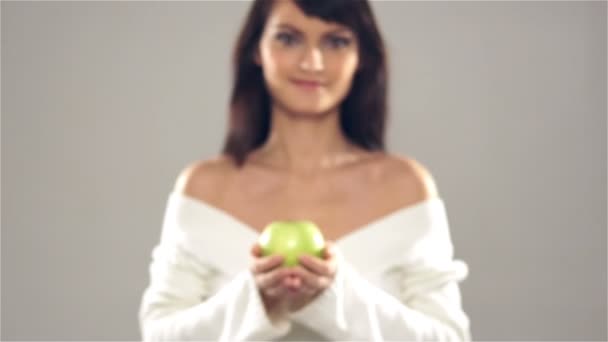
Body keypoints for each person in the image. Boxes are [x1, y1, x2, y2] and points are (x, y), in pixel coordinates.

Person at [138, 0, 472, 340]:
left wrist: (336, 295)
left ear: (362, 57)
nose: (312, 62)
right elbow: (158, 334)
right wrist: (256, 298)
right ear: (257, 49)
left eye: (336, 41)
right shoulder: (204, 187)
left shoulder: (405, 187)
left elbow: (449, 337)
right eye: (288, 38)